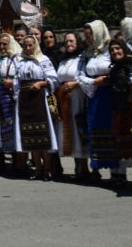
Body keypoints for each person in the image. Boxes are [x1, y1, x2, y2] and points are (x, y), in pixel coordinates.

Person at [14, 36, 58, 180]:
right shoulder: (20, 61)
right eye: (25, 46)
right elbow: (16, 81)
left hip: (39, 98)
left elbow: (53, 78)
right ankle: (37, 168)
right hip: (25, 99)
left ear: (35, 45)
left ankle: (47, 168)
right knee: (30, 135)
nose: (28, 48)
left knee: (42, 133)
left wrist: (41, 84)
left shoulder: (43, 59)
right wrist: (17, 96)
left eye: (30, 45)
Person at [78, 20, 116, 178]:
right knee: (94, 129)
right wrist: (93, 82)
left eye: (90, 36)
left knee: (112, 130)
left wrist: (109, 78)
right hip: (94, 94)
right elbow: (80, 75)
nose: (88, 40)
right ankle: (96, 168)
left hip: (109, 94)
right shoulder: (87, 54)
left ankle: (117, 171)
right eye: (86, 37)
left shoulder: (110, 50)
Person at [54, 32, 90, 180]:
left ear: (78, 42)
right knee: (68, 131)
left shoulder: (82, 58)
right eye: (66, 41)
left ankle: (84, 167)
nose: (68, 44)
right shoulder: (63, 60)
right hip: (64, 100)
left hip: (78, 97)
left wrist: (75, 83)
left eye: (71, 41)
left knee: (79, 129)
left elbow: (87, 76)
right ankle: (77, 163)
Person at [106, 39, 132, 185]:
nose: (115, 52)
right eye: (112, 50)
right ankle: (118, 174)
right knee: (117, 139)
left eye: (117, 49)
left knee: (130, 141)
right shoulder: (113, 68)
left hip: (128, 105)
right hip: (115, 105)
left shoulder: (131, 66)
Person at [0, 33, 21, 175]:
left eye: (5, 44)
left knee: (14, 128)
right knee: (3, 128)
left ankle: (18, 163)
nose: (2, 46)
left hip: (11, 97)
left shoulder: (16, 59)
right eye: (0, 44)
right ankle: (3, 162)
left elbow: (22, 77)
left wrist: (12, 82)